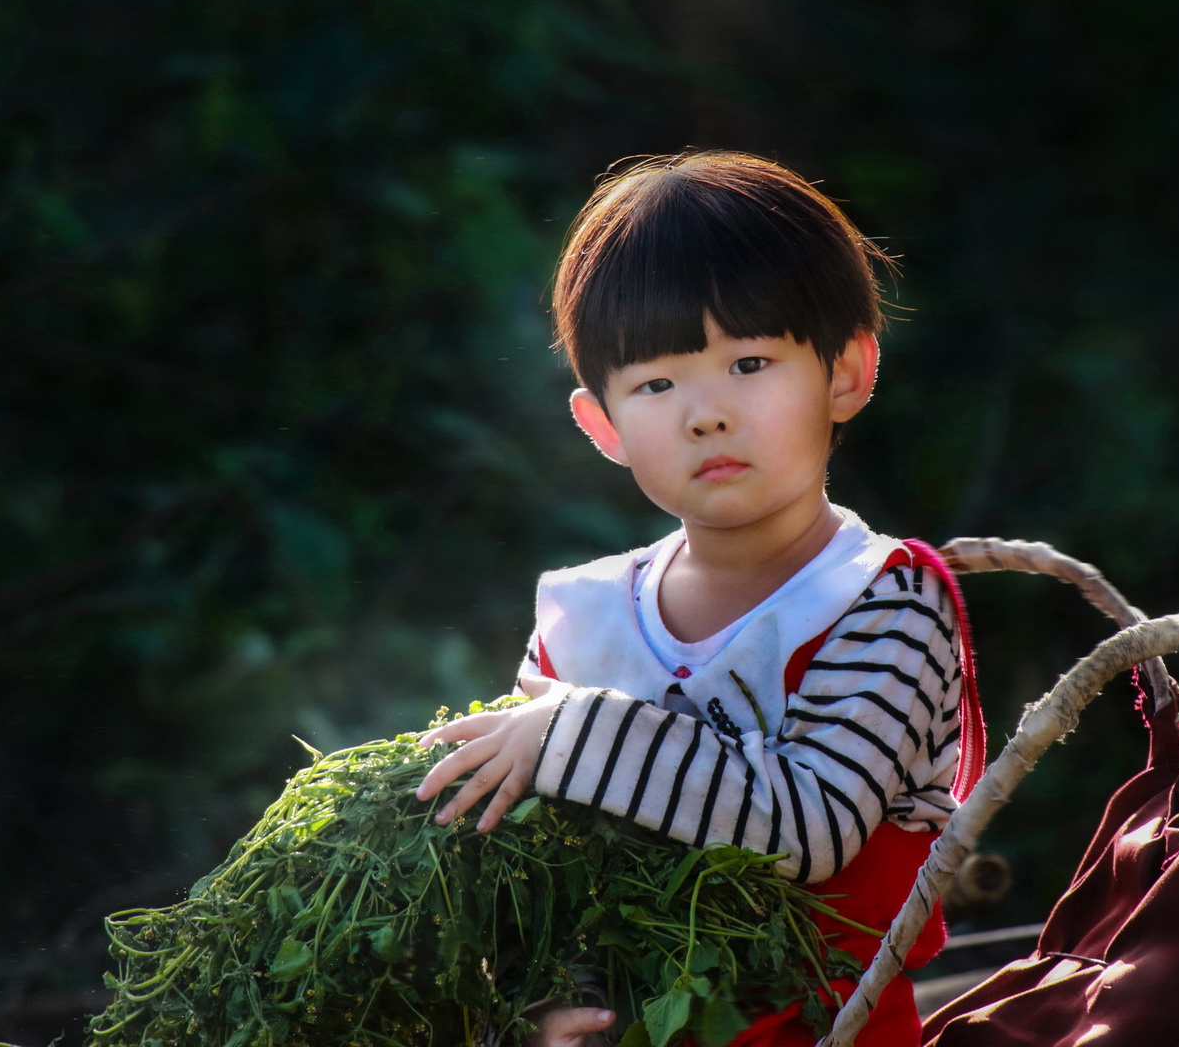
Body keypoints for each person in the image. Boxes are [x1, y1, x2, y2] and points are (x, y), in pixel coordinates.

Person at [414, 150, 985, 1046]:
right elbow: (542, 864)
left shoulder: (886, 602)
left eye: (749, 363)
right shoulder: (581, 619)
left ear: (845, 374)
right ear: (602, 425)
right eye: (656, 383)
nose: (706, 413)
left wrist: (574, 735)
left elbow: (812, 825)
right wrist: (544, 1003)